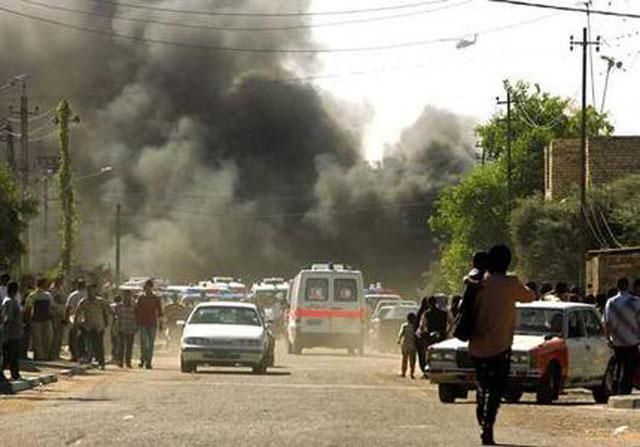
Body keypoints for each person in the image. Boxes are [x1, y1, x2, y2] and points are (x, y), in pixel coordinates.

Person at [469, 244, 536, 445]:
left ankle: (482, 411)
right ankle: (487, 426)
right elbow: (529, 297)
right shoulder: (511, 283)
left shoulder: (478, 282)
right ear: (507, 262)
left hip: (476, 346)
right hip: (501, 347)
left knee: (482, 384)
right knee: (496, 389)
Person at [604, 277, 640, 395]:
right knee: (629, 368)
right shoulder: (636, 301)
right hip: (632, 340)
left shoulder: (611, 302)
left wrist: (608, 337)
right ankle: (625, 390)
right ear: (628, 286)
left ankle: (616, 389)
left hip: (617, 341)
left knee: (618, 366)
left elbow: (607, 322)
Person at [75, 285, 110, 369]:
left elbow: (107, 311)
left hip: (99, 326)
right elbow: (78, 312)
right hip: (89, 326)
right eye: (89, 291)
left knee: (99, 344)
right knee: (89, 343)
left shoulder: (101, 301)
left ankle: (101, 362)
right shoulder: (84, 301)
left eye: (92, 291)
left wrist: (106, 322)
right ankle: (90, 358)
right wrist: (77, 322)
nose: (90, 293)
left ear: (95, 292)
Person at [135, 279, 163, 369]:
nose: (147, 289)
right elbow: (136, 311)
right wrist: (137, 322)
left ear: (151, 288)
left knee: (150, 344)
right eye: (145, 288)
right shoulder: (141, 298)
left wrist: (161, 323)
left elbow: (160, 312)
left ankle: (148, 362)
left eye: (148, 287)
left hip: (152, 324)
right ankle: (143, 359)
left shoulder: (155, 298)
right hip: (143, 323)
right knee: (144, 343)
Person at [25, 277, 54, 361]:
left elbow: (51, 307)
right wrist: (27, 319)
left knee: (48, 337)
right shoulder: (33, 295)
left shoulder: (48, 295)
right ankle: (39, 356)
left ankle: (45, 354)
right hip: (36, 319)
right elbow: (28, 307)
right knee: (37, 338)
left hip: (46, 319)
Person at [2, 282, 23, 381]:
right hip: (11, 334)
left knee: (13, 355)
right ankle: (11, 374)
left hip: (14, 333)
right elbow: (8, 318)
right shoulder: (10, 301)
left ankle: (15, 374)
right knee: (10, 355)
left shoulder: (11, 301)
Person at [66, 279, 87, 362]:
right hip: (85, 319)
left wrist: (66, 318)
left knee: (73, 338)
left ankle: (75, 355)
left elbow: (68, 307)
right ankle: (82, 355)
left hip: (74, 319)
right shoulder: (87, 295)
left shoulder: (73, 295)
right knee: (83, 338)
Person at [115, 291, 137, 368]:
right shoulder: (119, 306)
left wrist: (136, 326)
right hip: (121, 328)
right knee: (121, 346)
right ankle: (120, 361)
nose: (126, 297)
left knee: (129, 347)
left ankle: (128, 362)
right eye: (125, 296)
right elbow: (117, 316)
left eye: (128, 296)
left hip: (131, 328)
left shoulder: (134, 306)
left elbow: (136, 316)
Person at [49, 278, 66, 360]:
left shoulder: (62, 289)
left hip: (61, 314)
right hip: (55, 314)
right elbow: (54, 302)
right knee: (54, 335)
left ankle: (57, 353)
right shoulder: (52, 291)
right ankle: (52, 354)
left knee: (60, 335)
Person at [397, 312, 417, 379]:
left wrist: (399, 340)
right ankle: (411, 374)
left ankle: (403, 373)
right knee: (412, 361)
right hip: (413, 345)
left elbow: (401, 334)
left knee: (405, 359)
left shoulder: (404, 326)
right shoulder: (415, 327)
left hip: (405, 344)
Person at [414, 297, 429, 374]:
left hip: (422, 337)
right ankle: (425, 371)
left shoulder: (421, 312)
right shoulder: (423, 313)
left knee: (422, 355)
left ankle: (425, 370)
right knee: (422, 355)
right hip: (423, 337)